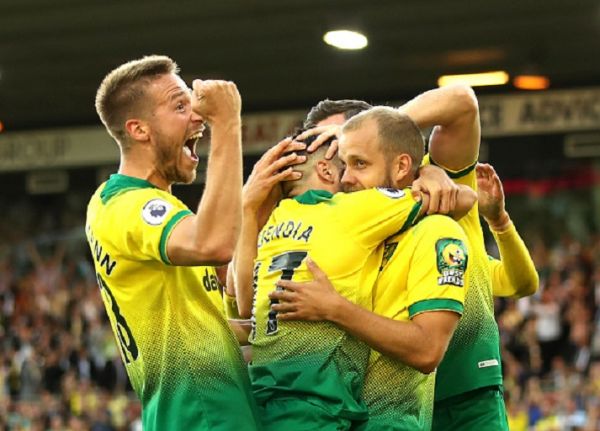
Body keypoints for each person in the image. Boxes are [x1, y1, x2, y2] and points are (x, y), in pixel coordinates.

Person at [270, 107, 474, 430]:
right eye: (343, 164)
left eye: (359, 164)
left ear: (403, 166)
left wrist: (335, 309)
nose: (346, 178)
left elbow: (427, 349)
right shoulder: (346, 237)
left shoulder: (435, 232)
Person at [86, 55, 261, 430]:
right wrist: (228, 123)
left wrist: (263, 329)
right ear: (139, 129)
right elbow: (213, 243)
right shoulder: (124, 204)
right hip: (201, 415)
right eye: (180, 106)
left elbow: (196, 329)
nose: (197, 116)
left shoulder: (162, 207)